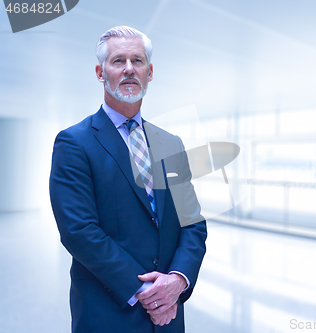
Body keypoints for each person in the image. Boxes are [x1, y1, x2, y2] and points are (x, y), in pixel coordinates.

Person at [49, 26, 207, 333]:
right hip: (110, 311)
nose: (129, 69)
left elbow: (192, 222)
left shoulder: (169, 143)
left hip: (169, 314)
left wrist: (177, 280)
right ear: (100, 72)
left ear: (150, 72)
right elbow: (79, 231)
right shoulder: (74, 143)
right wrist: (148, 294)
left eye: (138, 61)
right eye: (118, 61)